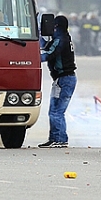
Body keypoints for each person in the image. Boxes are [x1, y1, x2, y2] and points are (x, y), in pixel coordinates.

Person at [38, 15, 77, 149]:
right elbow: (47, 45)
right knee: (54, 111)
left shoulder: (60, 40)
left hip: (64, 80)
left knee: (57, 111)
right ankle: (55, 138)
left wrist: (31, 58)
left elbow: (49, 53)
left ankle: (60, 139)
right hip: (63, 80)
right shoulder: (64, 38)